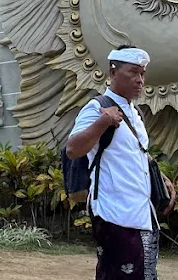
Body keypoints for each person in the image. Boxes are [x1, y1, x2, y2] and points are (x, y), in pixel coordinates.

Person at [66, 47, 170, 280]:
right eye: (133, 72)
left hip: (143, 213)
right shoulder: (97, 107)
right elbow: (73, 149)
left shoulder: (136, 112)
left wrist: (159, 177)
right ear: (113, 73)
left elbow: (135, 154)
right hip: (115, 213)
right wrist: (103, 121)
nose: (140, 80)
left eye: (142, 73)